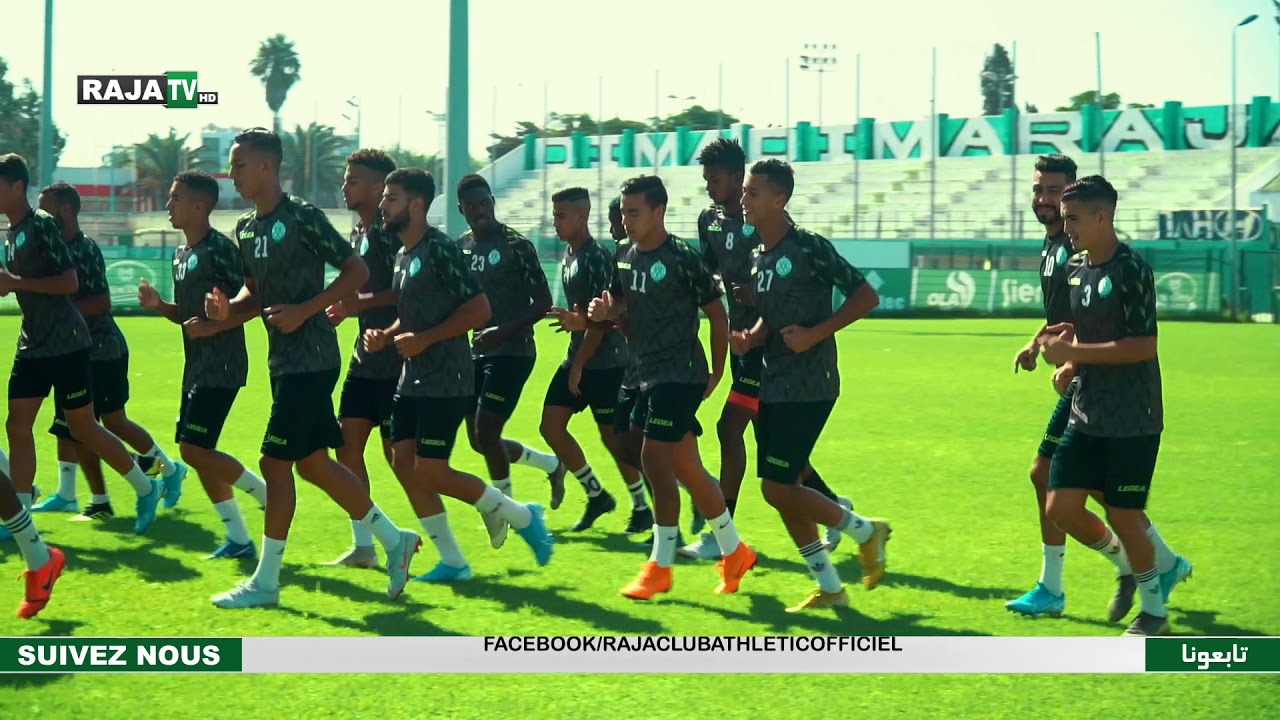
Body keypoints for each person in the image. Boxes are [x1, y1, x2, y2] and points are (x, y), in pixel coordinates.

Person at [204, 128, 419, 608]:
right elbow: (253, 296)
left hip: (313, 357)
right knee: (314, 464)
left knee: (272, 463)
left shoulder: (302, 217)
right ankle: (394, 540)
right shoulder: (246, 228)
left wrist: (305, 310)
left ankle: (265, 583)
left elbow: (356, 273)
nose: (232, 174)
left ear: (265, 167)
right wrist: (226, 312)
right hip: (282, 361)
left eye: (239, 165)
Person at [1009, 157, 1191, 621]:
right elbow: (1075, 322)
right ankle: (1150, 565)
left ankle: (1148, 596)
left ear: (1098, 214)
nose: (1060, 220)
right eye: (1042, 193)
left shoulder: (1128, 267)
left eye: (1069, 211)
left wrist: (1075, 358)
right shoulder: (1070, 262)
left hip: (1126, 405)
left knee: (1115, 507)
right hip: (1087, 397)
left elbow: (1142, 344)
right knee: (1068, 496)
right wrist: (1049, 345)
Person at [367, 168, 554, 581]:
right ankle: (453, 560)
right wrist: (389, 335)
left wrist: (425, 339)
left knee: (431, 469)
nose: (383, 205)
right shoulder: (403, 255)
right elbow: (412, 314)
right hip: (411, 377)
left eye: (391, 198)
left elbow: (479, 309)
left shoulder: (441, 250)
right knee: (401, 462)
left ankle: (523, 517)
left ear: (416, 206)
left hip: (445, 378)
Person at [587, 174, 756, 600]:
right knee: (682, 467)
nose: (625, 221)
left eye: (634, 212)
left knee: (655, 460)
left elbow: (716, 314)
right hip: (642, 372)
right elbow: (619, 305)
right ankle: (735, 552)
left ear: (659, 212)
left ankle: (660, 566)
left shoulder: (682, 257)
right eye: (623, 212)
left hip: (680, 373)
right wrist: (604, 311)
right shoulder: (623, 255)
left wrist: (718, 369)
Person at [733, 159, 891, 610]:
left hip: (811, 382)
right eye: (745, 192)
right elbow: (773, 312)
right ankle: (831, 588)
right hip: (774, 379)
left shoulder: (808, 247)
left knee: (776, 487)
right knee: (789, 487)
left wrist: (815, 335)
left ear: (779, 199)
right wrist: (754, 336)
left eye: (753, 193)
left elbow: (865, 295)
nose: (744, 200)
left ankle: (865, 530)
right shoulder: (759, 255)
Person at [682, 138, 851, 560]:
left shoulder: (773, 227)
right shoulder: (710, 220)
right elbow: (708, 274)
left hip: (772, 347)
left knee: (729, 428)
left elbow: (786, 281)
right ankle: (834, 507)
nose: (709, 187)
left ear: (740, 178)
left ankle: (723, 535)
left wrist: (760, 299)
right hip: (748, 342)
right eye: (706, 179)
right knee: (772, 446)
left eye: (716, 179)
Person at [0, 153, 165, 540]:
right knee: (16, 424)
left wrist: (16, 282)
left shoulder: (41, 226)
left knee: (85, 427)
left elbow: (69, 282)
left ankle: (147, 486)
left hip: (68, 342)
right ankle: (19, 520)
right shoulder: (13, 233)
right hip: (33, 342)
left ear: (17, 186)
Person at [31, 182, 188, 520]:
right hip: (69, 348)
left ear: (66, 210)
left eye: (46, 207)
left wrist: (60, 313)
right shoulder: (54, 248)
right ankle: (79, 497)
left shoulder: (84, 249)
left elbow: (102, 301)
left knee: (111, 422)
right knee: (68, 424)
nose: (40, 215)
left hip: (101, 349)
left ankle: (168, 468)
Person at [138, 170, 268, 559]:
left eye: (175, 198)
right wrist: (161, 306)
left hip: (222, 366)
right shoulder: (182, 254)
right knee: (200, 449)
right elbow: (190, 318)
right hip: (195, 367)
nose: (168, 205)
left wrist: (214, 325)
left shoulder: (221, 251)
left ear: (199, 206)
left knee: (193, 450)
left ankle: (265, 493)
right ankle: (240, 540)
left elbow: (252, 302)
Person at [456, 174, 566, 547]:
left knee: (486, 430)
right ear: (462, 210)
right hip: (475, 351)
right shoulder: (462, 247)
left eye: (485, 203)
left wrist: (503, 331)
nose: (480, 210)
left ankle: (504, 511)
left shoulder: (518, 246)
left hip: (514, 351)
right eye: (472, 206)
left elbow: (543, 301)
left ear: (493, 202)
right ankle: (552, 465)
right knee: (477, 440)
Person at [541, 188, 641, 532]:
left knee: (615, 440)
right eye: (554, 216)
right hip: (579, 356)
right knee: (550, 426)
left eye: (561, 216)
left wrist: (580, 364)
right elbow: (585, 317)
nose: (555, 222)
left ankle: (644, 505)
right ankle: (597, 495)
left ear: (582, 217)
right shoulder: (570, 255)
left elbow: (601, 322)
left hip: (607, 364)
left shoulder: (596, 257)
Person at [324, 149, 402, 569]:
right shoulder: (359, 233)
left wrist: (358, 303)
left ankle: (497, 508)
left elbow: (406, 293)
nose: (344, 186)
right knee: (346, 449)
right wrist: (342, 306)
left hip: (396, 358)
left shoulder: (394, 234)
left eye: (352, 180)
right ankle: (365, 547)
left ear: (377, 188)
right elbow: (356, 291)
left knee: (404, 463)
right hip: (363, 359)